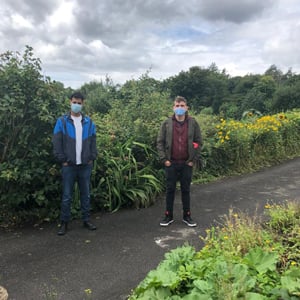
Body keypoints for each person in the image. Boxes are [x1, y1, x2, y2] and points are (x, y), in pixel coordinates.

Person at [53, 92, 98, 235]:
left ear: (83, 104)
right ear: (70, 102)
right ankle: (64, 222)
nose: (76, 105)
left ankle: (86, 220)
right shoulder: (62, 121)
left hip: (85, 165)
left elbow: (93, 141)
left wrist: (92, 157)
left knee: (86, 194)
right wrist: (63, 160)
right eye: (74, 102)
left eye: (79, 103)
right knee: (67, 196)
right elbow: (56, 142)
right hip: (69, 166)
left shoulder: (89, 122)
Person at [157, 96, 202, 227]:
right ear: (173, 108)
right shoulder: (166, 123)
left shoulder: (193, 123)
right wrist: (164, 159)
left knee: (186, 190)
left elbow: (199, 142)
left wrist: (193, 160)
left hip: (186, 163)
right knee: (170, 190)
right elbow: (160, 142)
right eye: (177, 106)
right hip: (170, 163)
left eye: (182, 106)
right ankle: (168, 216)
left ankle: (187, 216)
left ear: (186, 108)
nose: (180, 108)